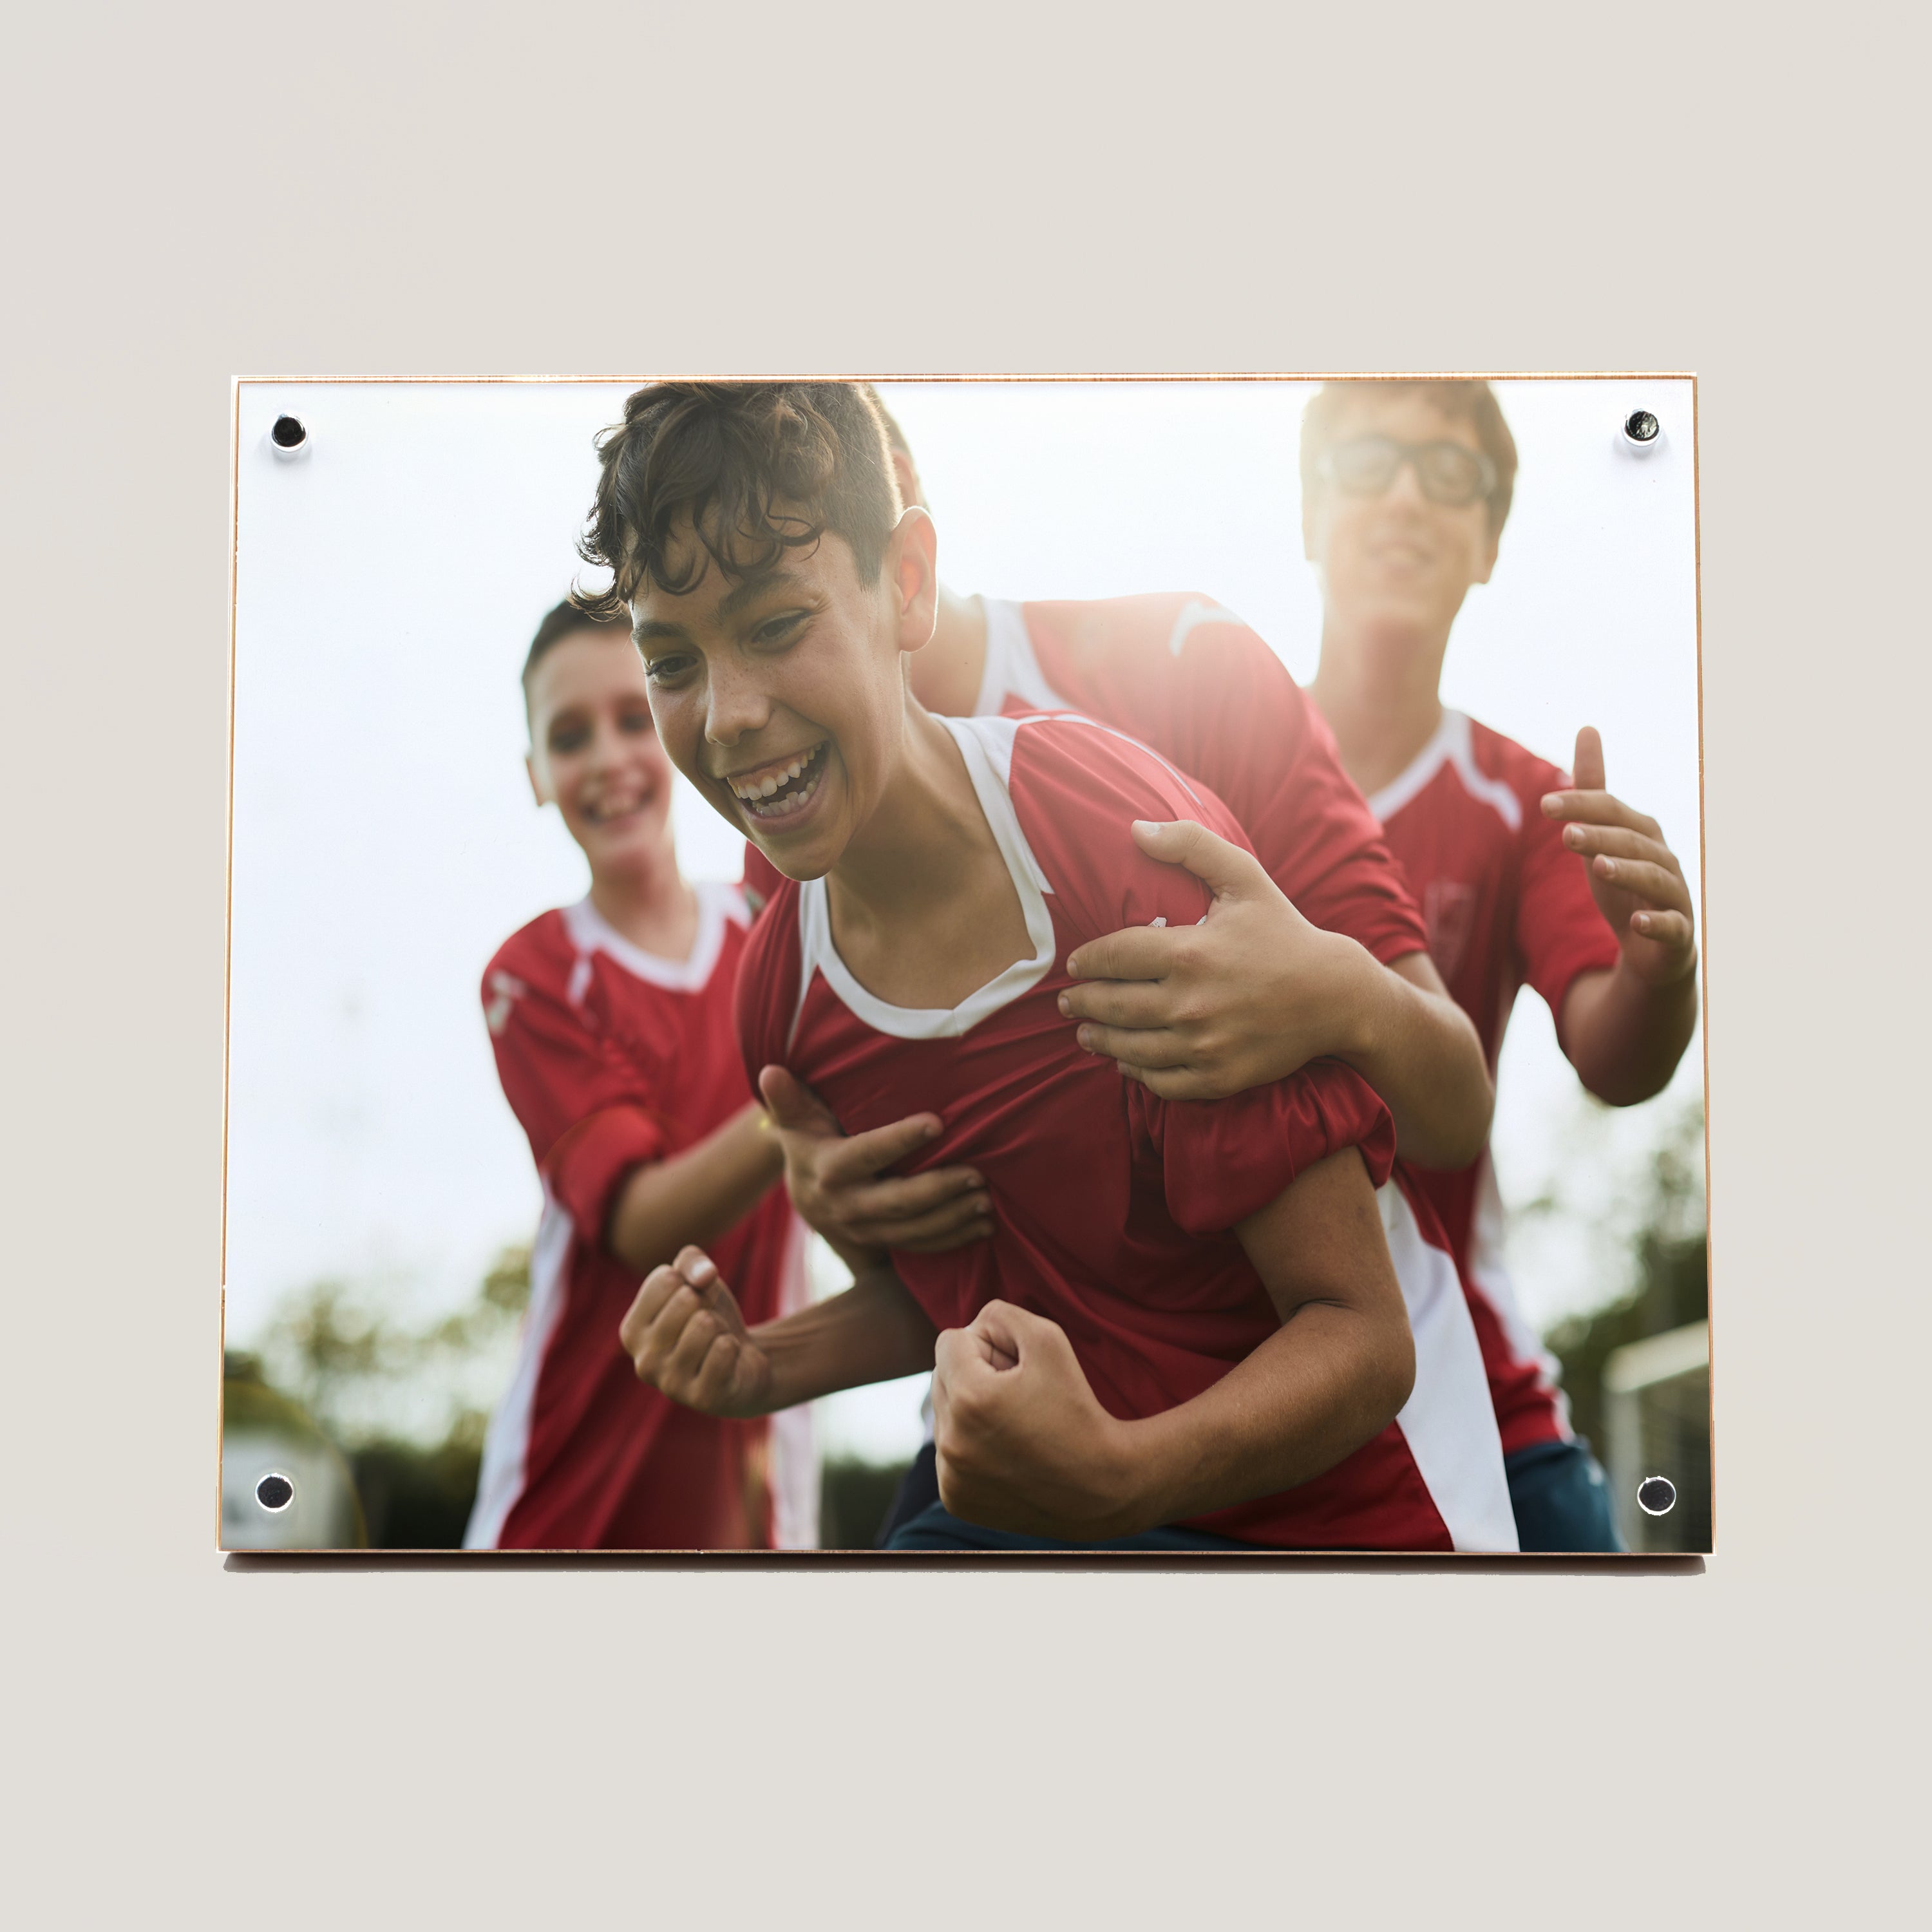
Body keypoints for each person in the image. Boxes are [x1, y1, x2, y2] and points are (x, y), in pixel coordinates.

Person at [585, 380, 1516, 1551]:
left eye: (776, 625)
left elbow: (1364, 1330)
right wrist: (762, 1361)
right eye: (670, 664)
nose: (725, 718)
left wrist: (1333, 990)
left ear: (904, 580)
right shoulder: (784, 993)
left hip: (1339, 1509)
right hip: (1073, 1499)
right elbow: (990, 1284)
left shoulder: (1126, 823)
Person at [1290, 379, 1700, 1551]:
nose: (1409, 495)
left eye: (1451, 473)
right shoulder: (1193, 759)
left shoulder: (1524, 804)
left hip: (1465, 1382)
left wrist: (1662, 968)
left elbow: (1616, 1059)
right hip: (1229, 1361)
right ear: (1309, 513)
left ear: (1489, 543)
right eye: (1370, 460)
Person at [463, 598, 815, 1551]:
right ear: (537, 776)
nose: (611, 759)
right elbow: (643, 1224)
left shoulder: (771, 920)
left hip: (755, 1500)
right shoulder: (532, 976)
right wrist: (808, 1097)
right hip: (567, 1504)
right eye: (570, 737)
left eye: (632, 716)